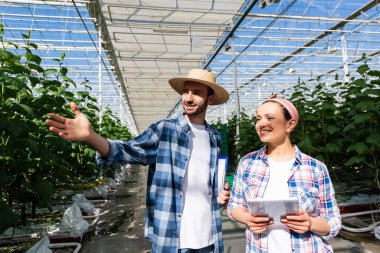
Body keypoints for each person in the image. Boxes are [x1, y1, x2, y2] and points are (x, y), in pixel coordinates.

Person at [46, 68, 231, 253]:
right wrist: (90, 137)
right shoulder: (165, 130)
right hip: (171, 235)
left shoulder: (214, 137)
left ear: (210, 99)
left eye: (197, 93)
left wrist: (219, 192)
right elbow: (127, 151)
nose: (188, 98)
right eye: (185, 92)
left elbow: (207, 180)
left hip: (209, 233)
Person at [227, 94, 341, 253]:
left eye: (270, 118)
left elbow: (333, 220)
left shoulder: (315, 168)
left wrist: (310, 223)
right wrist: (248, 219)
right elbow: (234, 205)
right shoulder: (247, 163)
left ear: (290, 124)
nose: (261, 124)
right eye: (258, 118)